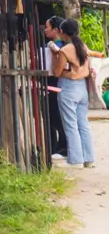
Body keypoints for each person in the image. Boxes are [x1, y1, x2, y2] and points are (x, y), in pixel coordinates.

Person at [50, 18, 96, 168]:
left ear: (62, 32)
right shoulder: (83, 46)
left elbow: (57, 72)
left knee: (70, 125)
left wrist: (55, 56)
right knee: (83, 123)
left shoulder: (65, 50)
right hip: (82, 87)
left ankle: (76, 160)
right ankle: (89, 158)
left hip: (69, 88)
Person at [43, 16, 68, 160]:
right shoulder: (56, 45)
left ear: (56, 30)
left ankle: (62, 145)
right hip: (54, 82)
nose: (45, 30)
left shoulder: (57, 46)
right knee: (54, 115)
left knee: (56, 115)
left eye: (47, 27)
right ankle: (57, 145)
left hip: (55, 82)